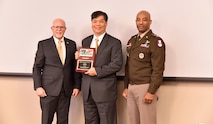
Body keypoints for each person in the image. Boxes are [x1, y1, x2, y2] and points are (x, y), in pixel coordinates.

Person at [32, 18, 81, 124]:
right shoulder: (43, 44)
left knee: (63, 120)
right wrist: (38, 87)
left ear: (65, 29)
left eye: (61, 27)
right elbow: (37, 67)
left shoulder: (71, 44)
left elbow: (74, 67)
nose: (59, 29)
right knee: (47, 120)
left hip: (66, 89)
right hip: (48, 90)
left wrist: (77, 86)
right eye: (56, 27)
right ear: (52, 29)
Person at [78, 11, 123, 124]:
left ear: (106, 23)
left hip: (105, 91)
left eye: (101, 21)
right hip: (87, 91)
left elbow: (117, 64)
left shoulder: (114, 42)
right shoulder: (86, 41)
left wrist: (97, 71)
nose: (97, 24)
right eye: (95, 21)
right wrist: (78, 58)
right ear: (91, 23)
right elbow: (84, 64)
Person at [122, 10, 165, 124]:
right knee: (133, 121)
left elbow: (158, 69)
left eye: (144, 19)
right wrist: (126, 86)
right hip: (131, 87)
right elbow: (128, 65)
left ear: (150, 22)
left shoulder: (155, 41)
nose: (141, 22)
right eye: (138, 19)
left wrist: (151, 91)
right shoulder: (132, 40)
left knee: (147, 121)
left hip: (145, 87)